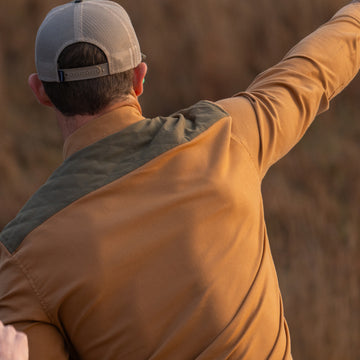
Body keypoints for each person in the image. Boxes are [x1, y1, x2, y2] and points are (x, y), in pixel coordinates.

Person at [0, 0, 359, 359]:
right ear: (139, 77)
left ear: (40, 92)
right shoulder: (224, 136)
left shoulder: (21, 256)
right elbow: (313, 69)